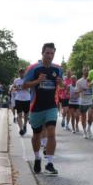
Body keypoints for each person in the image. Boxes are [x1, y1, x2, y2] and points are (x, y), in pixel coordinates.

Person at [22, 43, 62, 176]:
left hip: (51, 106)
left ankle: (49, 163)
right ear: (42, 53)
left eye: (52, 53)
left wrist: (61, 83)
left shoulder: (58, 69)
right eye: (47, 53)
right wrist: (37, 81)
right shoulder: (33, 68)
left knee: (51, 133)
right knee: (36, 136)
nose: (49, 56)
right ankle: (37, 157)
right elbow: (24, 85)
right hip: (36, 107)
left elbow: (61, 85)